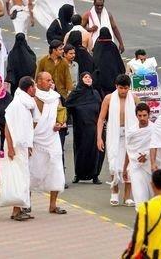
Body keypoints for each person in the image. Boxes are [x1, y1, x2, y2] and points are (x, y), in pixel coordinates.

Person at [123, 169, 161, 259]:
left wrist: (129, 256)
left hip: (155, 254)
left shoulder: (145, 208)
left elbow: (139, 237)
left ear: (152, 185)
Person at [30, 72, 67, 214]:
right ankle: (27, 203)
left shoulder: (55, 96)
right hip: (36, 138)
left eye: (51, 80)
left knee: (56, 170)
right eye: (47, 80)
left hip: (52, 138)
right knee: (33, 171)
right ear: (38, 82)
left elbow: (61, 112)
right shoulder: (32, 96)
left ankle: (53, 205)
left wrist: (60, 123)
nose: (50, 82)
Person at [97, 74, 137, 206]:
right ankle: (114, 193)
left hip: (130, 134)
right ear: (116, 86)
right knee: (114, 164)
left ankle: (127, 197)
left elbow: (142, 117)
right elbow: (101, 119)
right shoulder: (109, 98)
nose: (124, 91)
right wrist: (99, 138)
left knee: (130, 166)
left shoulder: (135, 99)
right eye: (121, 88)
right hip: (113, 133)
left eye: (126, 88)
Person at [3, 76, 37, 221]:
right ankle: (15, 211)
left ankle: (20, 209)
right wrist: (10, 147)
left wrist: (29, 145)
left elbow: (26, 127)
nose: (36, 89)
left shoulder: (26, 104)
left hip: (22, 146)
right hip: (14, 147)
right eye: (34, 86)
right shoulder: (16, 104)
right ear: (29, 88)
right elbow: (7, 126)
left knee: (23, 177)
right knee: (16, 177)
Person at [65, 72, 103, 184]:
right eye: (85, 77)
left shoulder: (95, 93)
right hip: (80, 128)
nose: (88, 79)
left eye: (90, 77)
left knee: (95, 152)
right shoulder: (75, 94)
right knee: (80, 151)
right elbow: (68, 106)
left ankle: (95, 175)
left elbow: (101, 108)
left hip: (94, 127)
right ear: (81, 79)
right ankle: (78, 174)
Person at [122, 103, 153, 209]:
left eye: (144, 115)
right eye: (140, 116)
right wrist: (125, 167)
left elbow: (159, 147)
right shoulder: (132, 131)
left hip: (151, 167)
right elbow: (129, 149)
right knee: (139, 196)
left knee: (152, 197)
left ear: (149, 115)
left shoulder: (155, 129)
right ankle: (142, 221)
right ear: (136, 116)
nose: (142, 118)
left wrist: (147, 155)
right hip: (135, 167)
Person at [92, 27, 125, 98]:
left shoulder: (97, 45)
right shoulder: (112, 45)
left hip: (100, 79)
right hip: (113, 78)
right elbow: (119, 62)